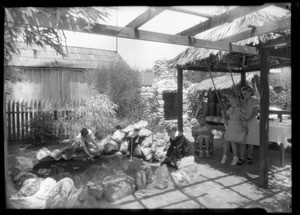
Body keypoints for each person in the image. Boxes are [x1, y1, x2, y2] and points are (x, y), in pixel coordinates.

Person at [221, 94, 246, 165]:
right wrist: (223, 114)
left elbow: (244, 119)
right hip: (230, 125)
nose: (231, 101)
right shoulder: (230, 109)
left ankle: (235, 157)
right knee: (226, 140)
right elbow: (226, 120)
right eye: (231, 100)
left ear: (238, 102)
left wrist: (245, 126)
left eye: (233, 100)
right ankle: (224, 156)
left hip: (237, 126)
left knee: (232, 141)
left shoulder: (241, 109)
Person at [237, 85, 260, 165]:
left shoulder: (255, 100)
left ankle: (249, 157)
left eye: (246, 93)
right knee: (242, 141)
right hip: (243, 122)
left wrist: (248, 120)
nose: (244, 95)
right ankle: (241, 158)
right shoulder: (243, 101)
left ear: (250, 92)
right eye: (243, 93)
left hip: (252, 122)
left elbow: (255, 113)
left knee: (251, 141)